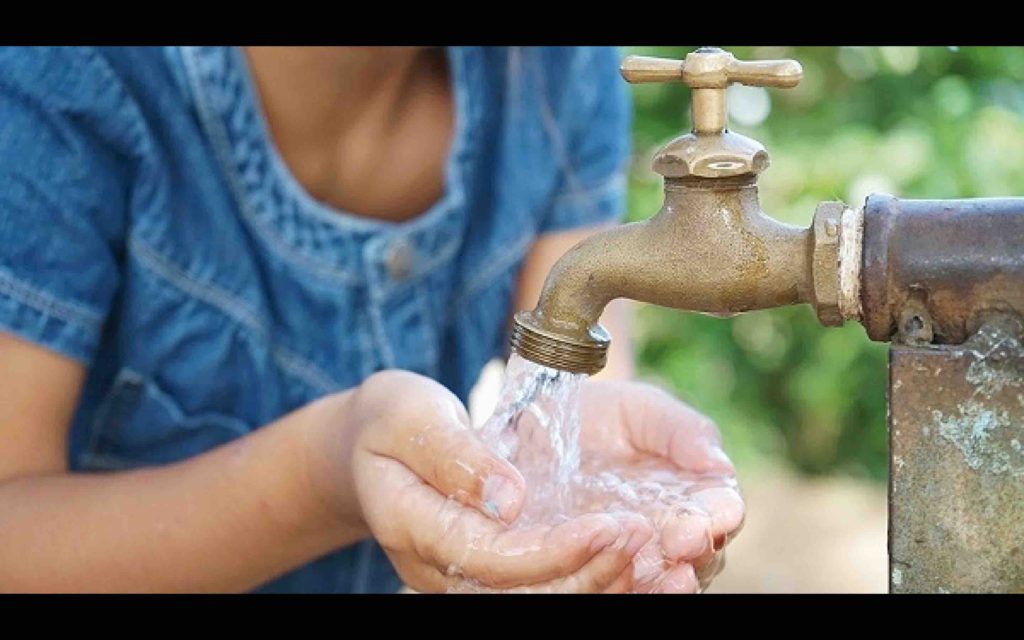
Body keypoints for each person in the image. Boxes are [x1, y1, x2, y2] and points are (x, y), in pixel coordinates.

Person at [0, 46, 744, 593]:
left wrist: (603, 501)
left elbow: (575, 362)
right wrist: (324, 473)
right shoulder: (64, 79)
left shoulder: (559, 70)